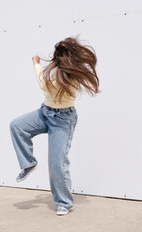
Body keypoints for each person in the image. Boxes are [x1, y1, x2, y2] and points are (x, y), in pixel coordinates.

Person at [9, 35, 100, 216]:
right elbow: (45, 79)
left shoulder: (71, 75)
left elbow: (43, 83)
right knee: (17, 126)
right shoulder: (55, 67)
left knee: (57, 163)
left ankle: (64, 202)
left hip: (63, 120)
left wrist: (35, 64)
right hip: (45, 112)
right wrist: (39, 65)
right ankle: (28, 163)